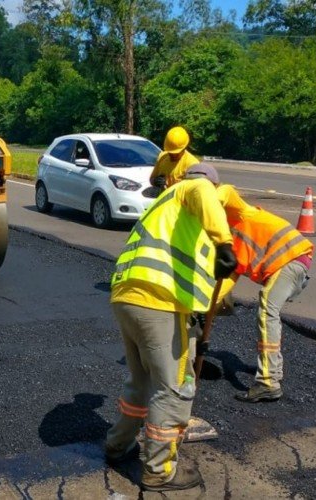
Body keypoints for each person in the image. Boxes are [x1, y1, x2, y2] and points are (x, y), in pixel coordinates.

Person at [104, 163, 237, 492]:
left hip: (128, 296)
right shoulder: (194, 189)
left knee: (140, 381)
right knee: (173, 387)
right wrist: (225, 243)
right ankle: (159, 470)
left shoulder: (164, 205)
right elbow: (204, 190)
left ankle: (117, 446)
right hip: (159, 301)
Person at [216, 184, 314, 403]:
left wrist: (206, 198)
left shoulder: (239, 212)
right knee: (267, 310)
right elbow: (227, 281)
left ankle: (268, 382)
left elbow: (226, 191)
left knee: (267, 311)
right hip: (290, 263)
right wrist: (206, 308)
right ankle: (272, 373)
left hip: (290, 259)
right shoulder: (228, 243)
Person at [149, 126, 199, 197]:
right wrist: (156, 181)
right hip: (163, 202)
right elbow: (151, 179)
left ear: (184, 147)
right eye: (170, 152)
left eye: (176, 153)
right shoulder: (162, 157)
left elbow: (195, 191)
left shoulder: (192, 164)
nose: (173, 155)